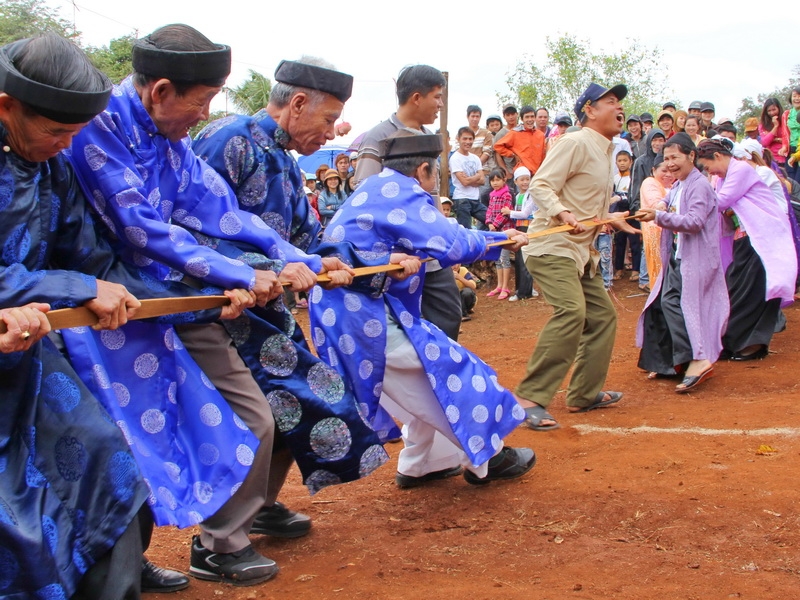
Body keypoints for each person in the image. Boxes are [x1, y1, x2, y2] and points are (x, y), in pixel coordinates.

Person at [67, 29, 371, 586]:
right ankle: (144, 559)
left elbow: (218, 208)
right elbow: (140, 226)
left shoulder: (173, 140)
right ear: (160, 91)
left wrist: (289, 255)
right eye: (201, 102)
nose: (203, 116)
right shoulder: (98, 126)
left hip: (183, 300)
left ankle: (186, 549)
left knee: (234, 420)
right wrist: (243, 272)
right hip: (102, 308)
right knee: (119, 440)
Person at [0, 33, 246, 597]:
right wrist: (77, 285)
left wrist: (198, 299)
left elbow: (93, 261)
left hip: (32, 361)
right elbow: (79, 277)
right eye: (54, 131)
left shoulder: (51, 169)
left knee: (111, 470)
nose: (65, 148)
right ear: (6, 106)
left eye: (72, 134)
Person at [309, 131, 536, 488]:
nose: (434, 184)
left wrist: (500, 237)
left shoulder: (376, 186)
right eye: (436, 175)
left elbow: (443, 234)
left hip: (349, 309)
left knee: (419, 377)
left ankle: (422, 463)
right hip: (362, 314)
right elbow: (450, 242)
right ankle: (490, 456)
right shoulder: (402, 192)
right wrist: (505, 238)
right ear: (422, 170)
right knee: (442, 371)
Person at [513, 83, 630, 430]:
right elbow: (541, 184)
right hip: (553, 247)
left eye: (620, 103)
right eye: (611, 102)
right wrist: (563, 214)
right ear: (590, 110)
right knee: (572, 311)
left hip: (583, 252)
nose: (619, 107)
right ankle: (529, 398)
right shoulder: (575, 141)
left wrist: (608, 220)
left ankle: (583, 394)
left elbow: (588, 202)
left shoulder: (606, 151)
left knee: (604, 316)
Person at [351, 65, 463, 340]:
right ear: (416, 97)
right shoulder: (378, 137)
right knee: (399, 328)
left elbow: (433, 195)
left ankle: (438, 376)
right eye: (437, 97)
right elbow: (365, 200)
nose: (440, 104)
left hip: (431, 254)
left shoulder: (429, 138)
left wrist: (445, 240)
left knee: (449, 317)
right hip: (397, 260)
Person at [636, 133, 729, 392]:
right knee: (664, 303)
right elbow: (668, 202)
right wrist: (658, 208)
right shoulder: (679, 184)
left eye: (675, 157)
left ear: (691, 155)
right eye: (666, 159)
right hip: (679, 258)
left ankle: (699, 359)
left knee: (686, 306)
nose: (670, 164)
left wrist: (659, 216)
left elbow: (694, 222)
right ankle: (676, 360)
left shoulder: (699, 185)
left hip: (697, 259)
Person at [696, 138, 797, 360]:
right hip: (747, 240)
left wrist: (687, 206)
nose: (709, 171)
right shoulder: (724, 175)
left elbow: (720, 202)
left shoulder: (739, 169)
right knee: (739, 289)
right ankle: (736, 342)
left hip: (762, 239)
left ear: (718, 156)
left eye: (707, 166)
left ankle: (750, 344)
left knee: (752, 291)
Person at [502, 166, 538, 300]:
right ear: (516, 181)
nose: (525, 182)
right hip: (519, 228)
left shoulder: (531, 195)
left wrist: (509, 212)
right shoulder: (517, 196)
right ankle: (523, 288)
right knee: (520, 259)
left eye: (527, 179)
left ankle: (524, 292)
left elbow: (525, 213)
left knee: (525, 259)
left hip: (528, 228)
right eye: (522, 179)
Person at [639, 153, 674, 285]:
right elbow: (656, 204)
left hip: (670, 231)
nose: (668, 175)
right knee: (658, 269)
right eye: (664, 171)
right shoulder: (650, 182)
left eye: (671, 171)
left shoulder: (673, 186)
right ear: (654, 170)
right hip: (656, 232)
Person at [485, 169, 515, 299]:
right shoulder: (492, 195)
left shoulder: (507, 194)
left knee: (504, 258)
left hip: (504, 230)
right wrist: (489, 222)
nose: (495, 183)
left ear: (504, 180)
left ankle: (505, 287)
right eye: (492, 180)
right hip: (495, 230)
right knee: (497, 259)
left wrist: (495, 225)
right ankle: (499, 285)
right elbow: (489, 211)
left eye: (498, 180)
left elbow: (505, 213)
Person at [494, 105, 547, 177]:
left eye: (532, 116)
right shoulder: (515, 133)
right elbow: (497, 146)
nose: (530, 119)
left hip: (537, 173)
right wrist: (512, 154)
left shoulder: (540, 135)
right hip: (522, 173)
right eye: (527, 117)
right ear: (522, 119)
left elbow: (543, 154)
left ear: (535, 118)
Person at [451, 126, 487, 229]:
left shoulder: (475, 158)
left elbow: (483, 180)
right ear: (458, 139)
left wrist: (470, 178)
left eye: (470, 139)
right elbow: (464, 182)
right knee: (465, 230)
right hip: (461, 199)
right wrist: (476, 176)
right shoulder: (455, 158)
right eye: (465, 138)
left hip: (475, 199)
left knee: (492, 220)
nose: (468, 142)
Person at [760, 98, 787, 168]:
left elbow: (788, 139)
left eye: (774, 109)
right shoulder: (763, 125)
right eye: (769, 111)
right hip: (771, 159)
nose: (772, 113)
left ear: (779, 108)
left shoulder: (786, 120)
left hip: (785, 157)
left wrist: (774, 139)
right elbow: (764, 142)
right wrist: (775, 126)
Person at [781, 87, 800, 182]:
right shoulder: (787, 114)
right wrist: (784, 147)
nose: (797, 98)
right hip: (791, 149)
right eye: (794, 96)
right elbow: (785, 134)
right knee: (790, 180)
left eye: (799, 96)